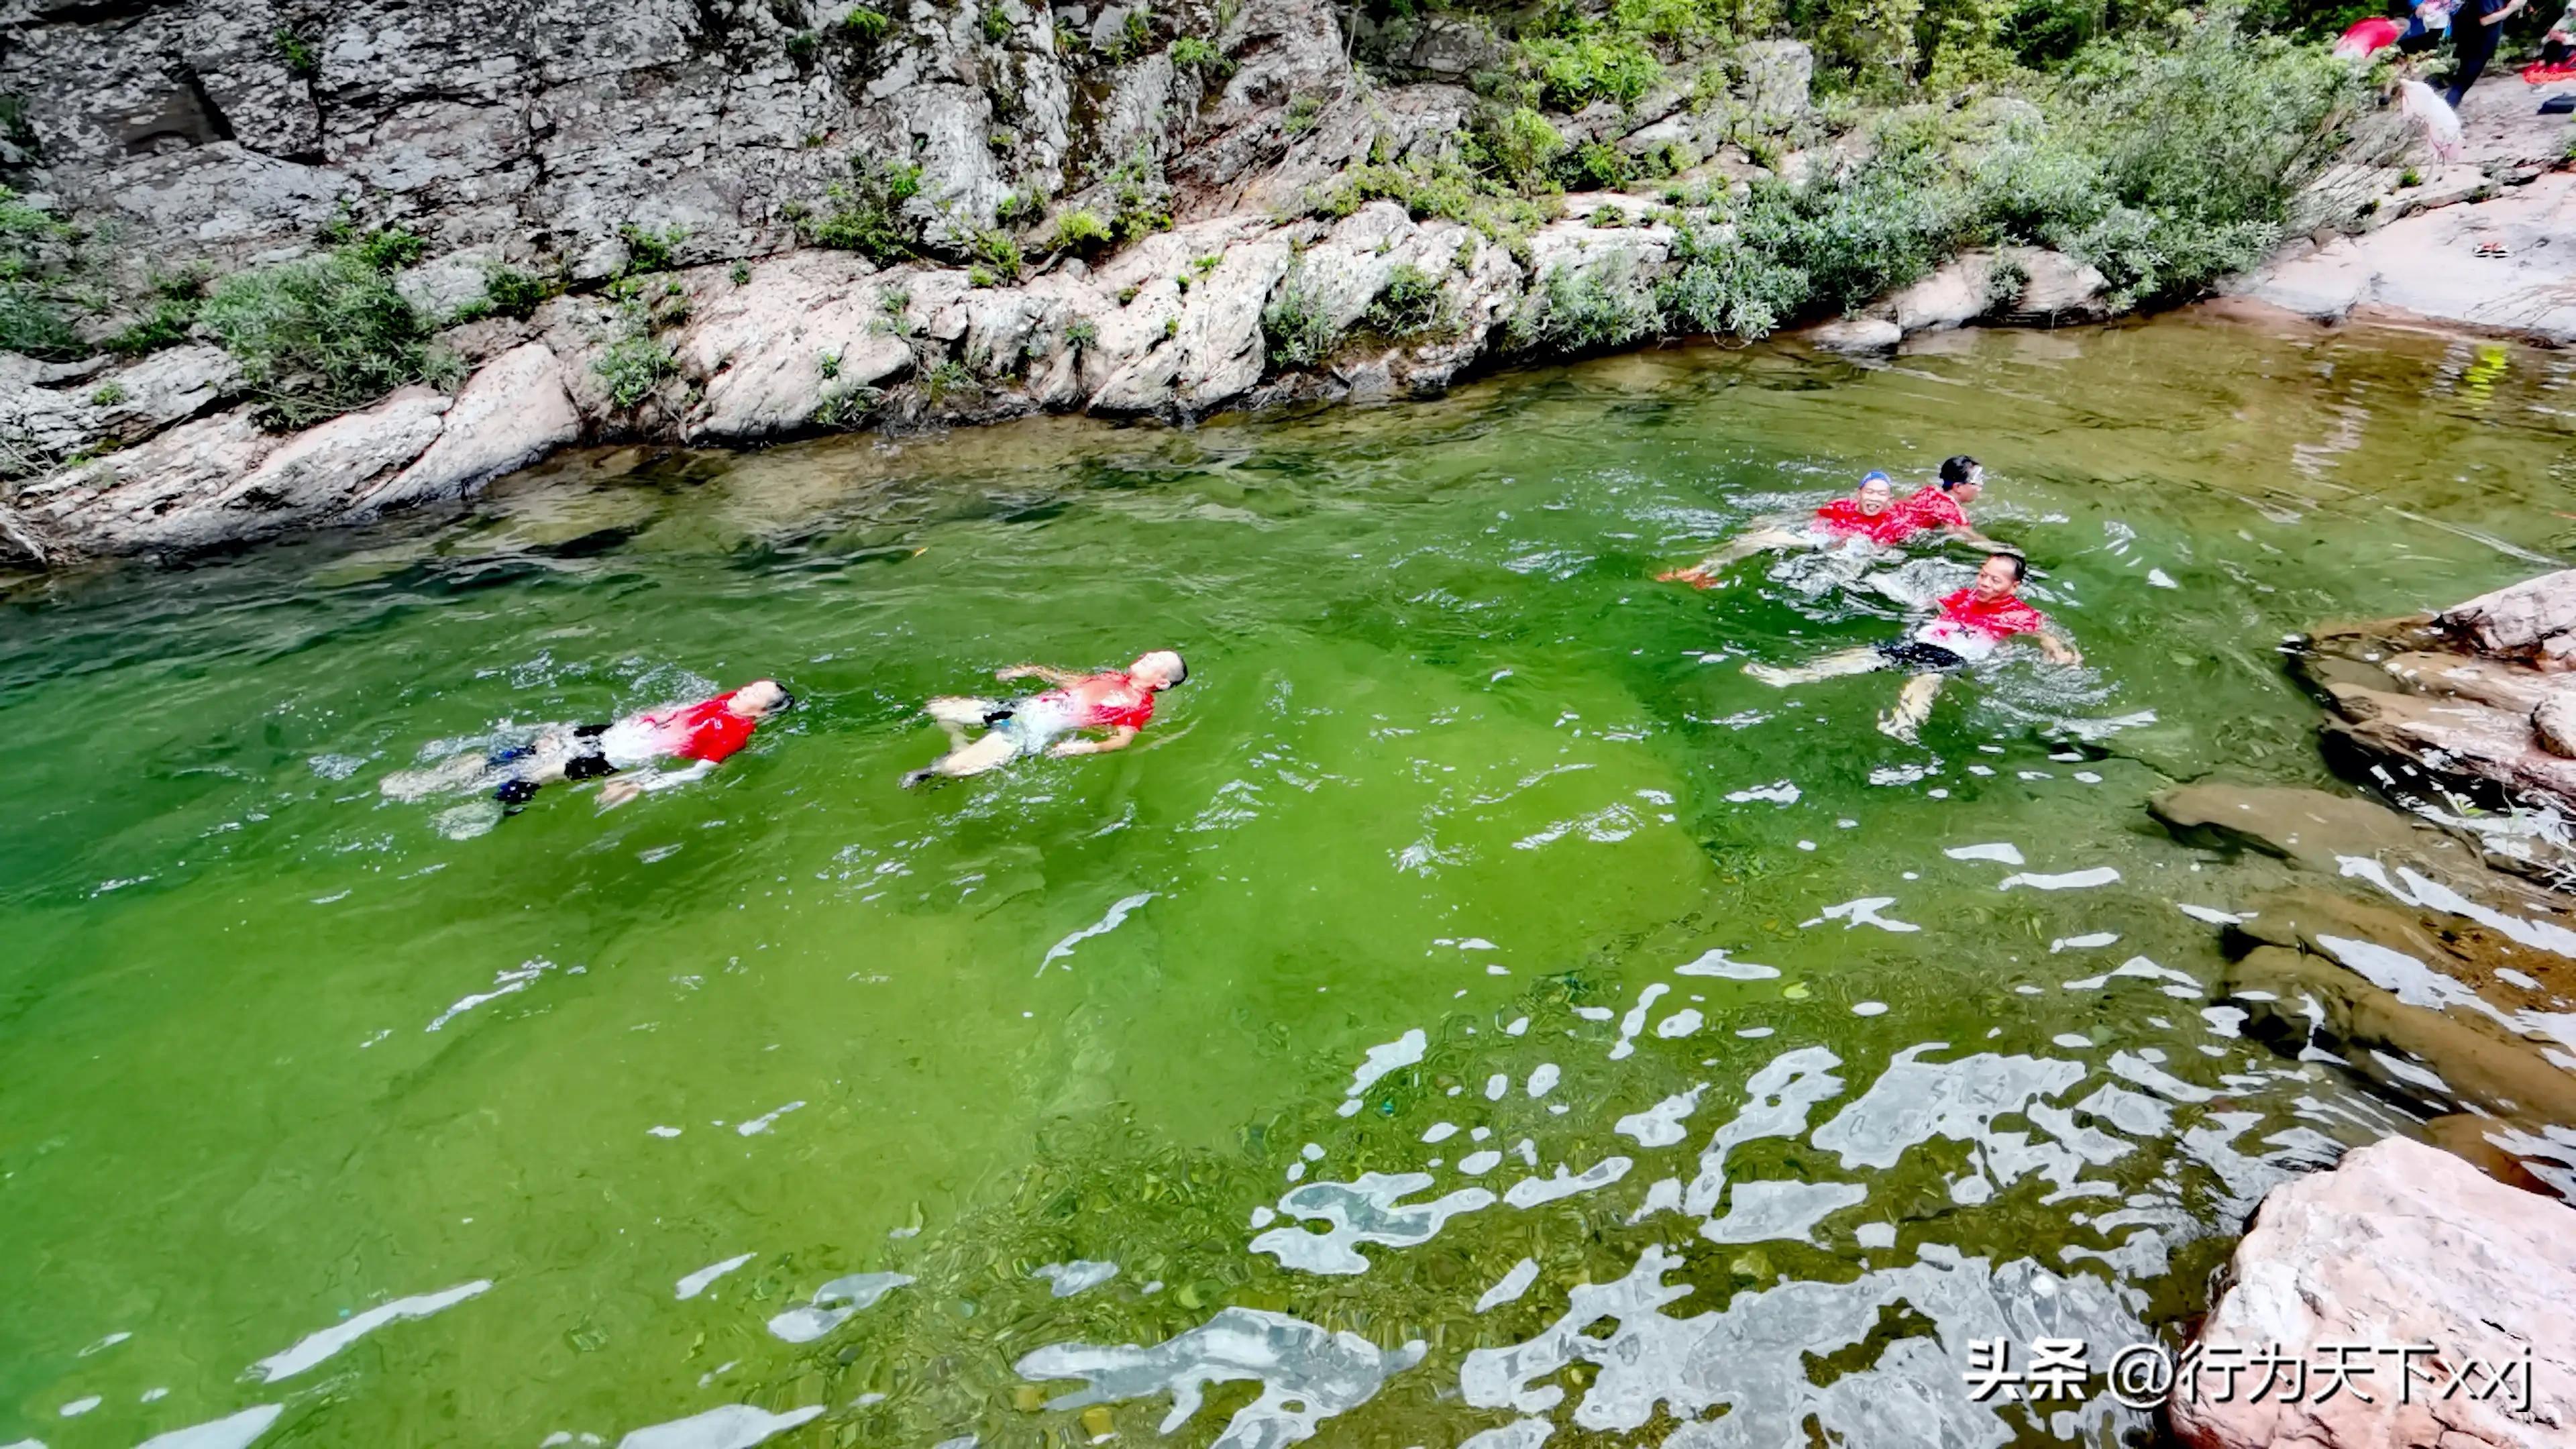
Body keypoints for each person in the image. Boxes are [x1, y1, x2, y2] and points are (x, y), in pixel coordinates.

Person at [1742, 552, 2079, 742]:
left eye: (1995, 580)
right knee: (1866, 655)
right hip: (1924, 640)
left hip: (1957, 653)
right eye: (1983, 575)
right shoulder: (1964, 595)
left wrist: (2058, 651)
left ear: (2014, 586)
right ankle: (1793, 676)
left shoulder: (2020, 613)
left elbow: (2045, 634)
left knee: (1926, 679)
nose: (1985, 583)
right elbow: (1934, 604)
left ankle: (1905, 725)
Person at [382, 680, 793, 814]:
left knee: (542, 772)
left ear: (761, 712)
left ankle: (491, 810)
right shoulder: (730, 700)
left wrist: (642, 785)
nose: (744, 690)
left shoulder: (737, 733)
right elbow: (681, 711)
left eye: (753, 693)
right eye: (750, 686)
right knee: (537, 747)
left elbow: (700, 772)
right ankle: (435, 780)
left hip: (622, 755)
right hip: (616, 731)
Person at [903, 651, 1187, 786]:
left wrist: (1080, 748)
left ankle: (935, 772)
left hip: (1030, 732)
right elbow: (1072, 681)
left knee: (954, 768)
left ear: (1162, 682)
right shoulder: (1113, 677)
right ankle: (960, 744)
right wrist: (1032, 670)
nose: (1149, 656)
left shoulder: (1139, 705)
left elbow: (1123, 740)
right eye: (1152, 653)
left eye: (1157, 661)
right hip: (1019, 709)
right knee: (938, 707)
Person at [1659, 471, 1925, 587]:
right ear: (1859, 494)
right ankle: (1703, 570)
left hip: (1852, 553)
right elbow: (1807, 516)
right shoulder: (1840, 506)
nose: (1875, 498)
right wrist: (1772, 520)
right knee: (1756, 539)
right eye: (1870, 492)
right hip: (1819, 539)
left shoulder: (1896, 522)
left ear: (1889, 499)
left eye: (1881, 494)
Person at [2449, 0, 2528, 107]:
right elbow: (2485, 20)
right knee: (2461, 85)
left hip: (2477, 42)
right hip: (2477, 44)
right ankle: (2444, 112)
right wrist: (2512, 8)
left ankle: (2445, 110)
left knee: (2462, 83)